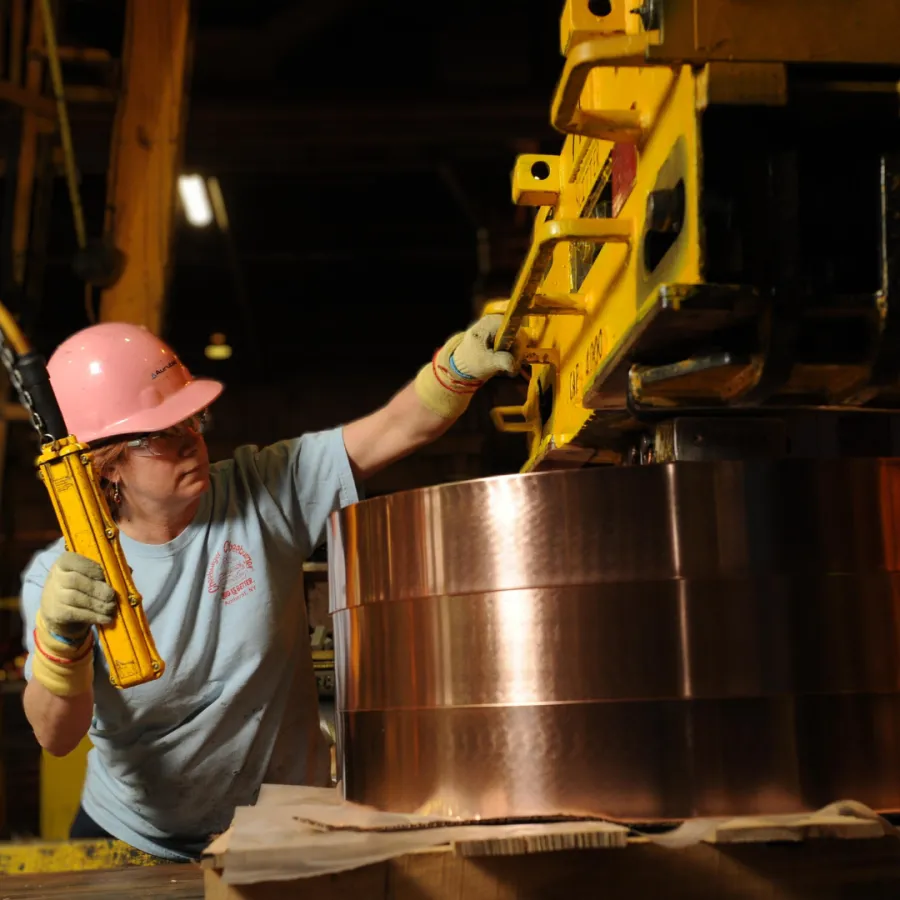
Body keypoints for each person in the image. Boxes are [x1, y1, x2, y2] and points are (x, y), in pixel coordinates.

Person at [19, 314, 519, 861]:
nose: (191, 442)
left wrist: (455, 371)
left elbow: (392, 430)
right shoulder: (63, 579)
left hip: (279, 831)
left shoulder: (261, 489)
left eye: (192, 419)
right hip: (133, 840)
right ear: (105, 466)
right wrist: (60, 642)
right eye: (161, 434)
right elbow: (56, 737)